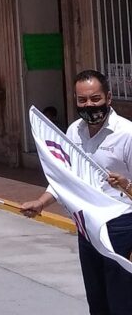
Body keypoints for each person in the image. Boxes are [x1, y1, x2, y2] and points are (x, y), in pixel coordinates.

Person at [20, 70, 132, 315]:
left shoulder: (127, 134)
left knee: (122, 298)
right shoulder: (74, 132)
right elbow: (65, 179)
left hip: (120, 226)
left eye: (95, 99)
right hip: (87, 226)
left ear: (109, 98)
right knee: (97, 298)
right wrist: (41, 202)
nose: (89, 105)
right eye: (82, 100)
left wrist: (126, 184)